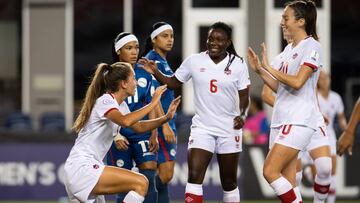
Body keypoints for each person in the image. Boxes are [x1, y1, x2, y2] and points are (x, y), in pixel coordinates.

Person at [140, 21, 250, 203]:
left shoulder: (237, 64)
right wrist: (156, 72)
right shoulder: (194, 60)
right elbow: (174, 83)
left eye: (219, 40)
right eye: (210, 39)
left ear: (228, 42)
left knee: (229, 182)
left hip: (229, 128)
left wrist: (242, 114)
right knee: (194, 175)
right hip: (202, 127)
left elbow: (244, 96)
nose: (214, 43)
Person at [248, 1, 332, 202]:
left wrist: (269, 67)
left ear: (301, 21)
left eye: (286, 17)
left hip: (299, 119)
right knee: (289, 180)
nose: (282, 22)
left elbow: (297, 82)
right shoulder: (287, 51)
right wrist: (260, 69)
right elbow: (279, 87)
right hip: (281, 119)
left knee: (270, 171)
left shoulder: (312, 46)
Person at [63, 62, 181, 203]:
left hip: (84, 169)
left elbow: (138, 127)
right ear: (124, 84)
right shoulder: (106, 101)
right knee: (141, 182)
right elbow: (125, 121)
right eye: (134, 79)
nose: (136, 83)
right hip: (83, 168)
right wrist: (153, 103)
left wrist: (165, 118)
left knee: (140, 183)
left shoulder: (121, 105)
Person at [106, 32, 171, 203]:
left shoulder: (144, 74)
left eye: (136, 47)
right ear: (119, 51)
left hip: (142, 132)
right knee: (124, 185)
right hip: (121, 135)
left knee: (149, 180)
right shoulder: (109, 76)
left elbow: (153, 103)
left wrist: (154, 133)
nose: (134, 52)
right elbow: (104, 109)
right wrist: (116, 135)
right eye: (129, 48)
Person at [142, 22, 177, 203]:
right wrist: (164, 126)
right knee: (165, 174)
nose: (170, 39)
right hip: (159, 123)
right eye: (165, 36)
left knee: (164, 177)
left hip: (166, 122)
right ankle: (135, 193)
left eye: (171, 35)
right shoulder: (152, 62)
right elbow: (153, 97)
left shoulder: (162, 61)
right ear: (154, 40)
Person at [316, 70, 347, 203]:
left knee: (332, 172)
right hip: (314, 137)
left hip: (329, 136)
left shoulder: (336, 97)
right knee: (317, 175)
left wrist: (347, 133)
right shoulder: (314, 96)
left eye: (327, 77)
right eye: (322, 78)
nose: (325, 80)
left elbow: (341, 118)